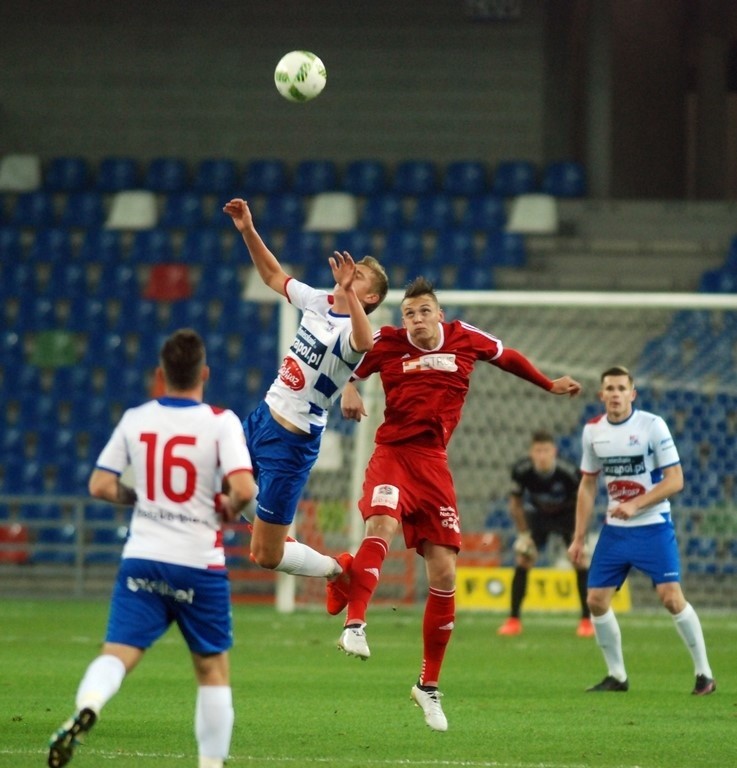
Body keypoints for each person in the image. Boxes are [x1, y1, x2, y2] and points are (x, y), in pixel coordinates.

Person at [331, 277, 582, 731]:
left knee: (445, 573)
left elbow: (508, 358)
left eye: (424, 311)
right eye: (409, 313)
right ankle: (355, 625)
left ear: (439, 314)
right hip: (392, 454)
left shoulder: (467, 338)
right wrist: (350, 385)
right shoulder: (387, 342)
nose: (416, 320)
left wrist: (547, 385)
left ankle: (427, 687)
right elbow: (352, 360)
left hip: (433, 466)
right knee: (382, 525)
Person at [48, 329, 256, 768]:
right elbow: (243, 487)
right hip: (199, 563)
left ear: (160, 375)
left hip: (142, 557)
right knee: (212, 670)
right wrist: (227, 508)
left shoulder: (136, 418)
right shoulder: (221, 421)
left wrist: (138, 497)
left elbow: (100, 485)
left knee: (117, 655)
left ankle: (89, 705)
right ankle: (210, 765)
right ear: (205, 373)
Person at [222, 198, 388, 585]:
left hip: (291, 444)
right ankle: (277, 533)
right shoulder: (318, 301)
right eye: (351, 268)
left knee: (264, 555)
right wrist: (248, 229)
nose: (348, 273)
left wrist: (350, 295)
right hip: (263, 417)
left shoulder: (353, 333)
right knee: (224, 481)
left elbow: (365, 344)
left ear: (371, 298)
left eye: (358, 275)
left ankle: (338, 571)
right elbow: (273, 276)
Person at [568, 365, 716, 695]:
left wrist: (637, 504)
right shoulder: (593, 431)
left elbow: (676, 480)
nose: (616, 394)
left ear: (632, 394)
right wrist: (579, 536)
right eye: (610, 389)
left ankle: (704, 674)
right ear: (601, 395)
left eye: (622, 388)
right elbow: (588, 485)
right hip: (615, 530)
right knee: (595, 600)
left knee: (671, 598)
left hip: (653, 526)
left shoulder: (652, 426)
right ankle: (617, 676)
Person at [497, 429, 593, 638]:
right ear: (531, 452)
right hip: (539, 516)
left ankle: (587, 620)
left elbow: (583, 501)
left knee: (580, 560)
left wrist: (579, 535)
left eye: (546, 450)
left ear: (554, 452)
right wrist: (523, 535)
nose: (542, 455)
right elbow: (515, 504)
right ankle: (513, 619)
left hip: (568, 515)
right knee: (524, 558)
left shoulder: (568, 472)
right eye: (538, 451)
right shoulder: (522, 470)